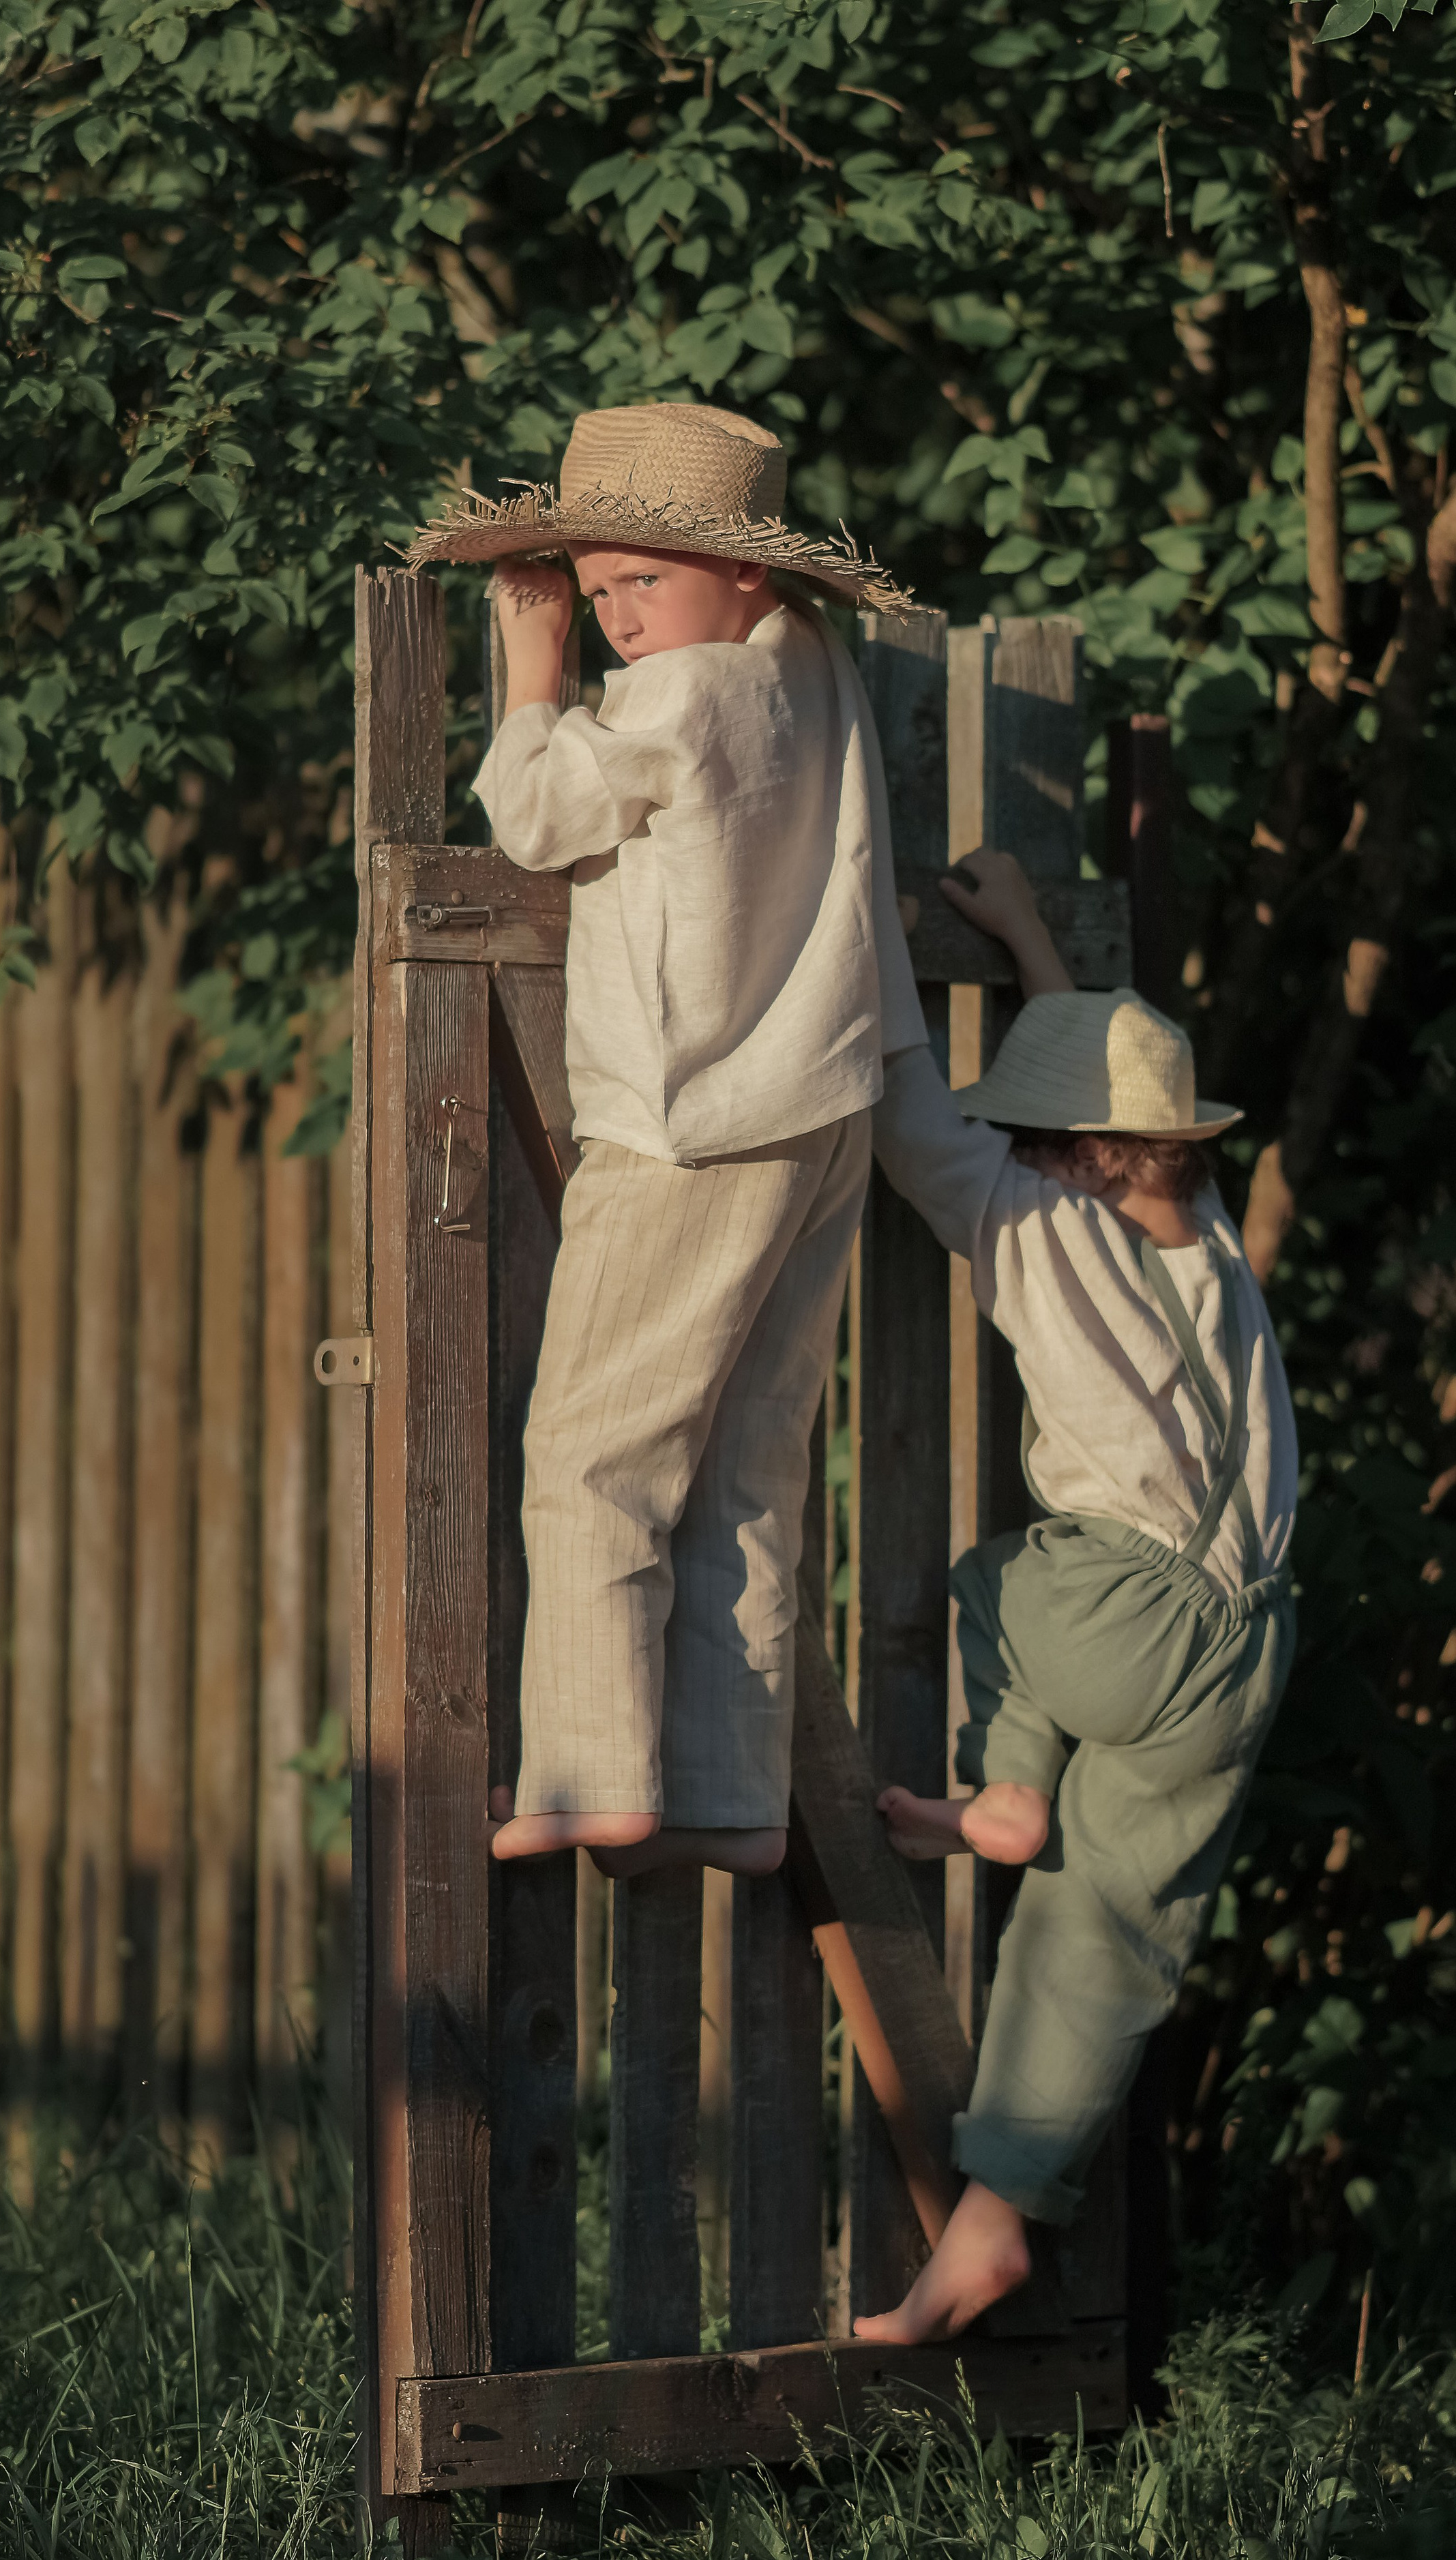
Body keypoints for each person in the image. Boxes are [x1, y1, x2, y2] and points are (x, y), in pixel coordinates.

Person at [406, 402, 924, 1879]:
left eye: (647, 582)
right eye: (597, 590)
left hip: (685, 1128)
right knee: (749, 1457)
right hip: (819, 1103)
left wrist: (527, 669)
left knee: (590, 1450)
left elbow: (532, 816)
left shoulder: (673, 698)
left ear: (746, 576)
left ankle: (588, 1772)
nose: (621, 615)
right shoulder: (814, 678)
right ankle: (725, 1793)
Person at [853, 851, 1298, 2342]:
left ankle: (1004, 1785)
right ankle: (993, 2222)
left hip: (1123, 1609)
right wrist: (1032, 936)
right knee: (1103, 1937)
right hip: (1250, 1638)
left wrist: (847, 929)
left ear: (1087, 1158)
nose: (1020, 1153)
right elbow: (1098, 1090)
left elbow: (916, 1121)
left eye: (1038, 1137)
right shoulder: (1213, 1237)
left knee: (998, 1577)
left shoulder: (1031, 1220)